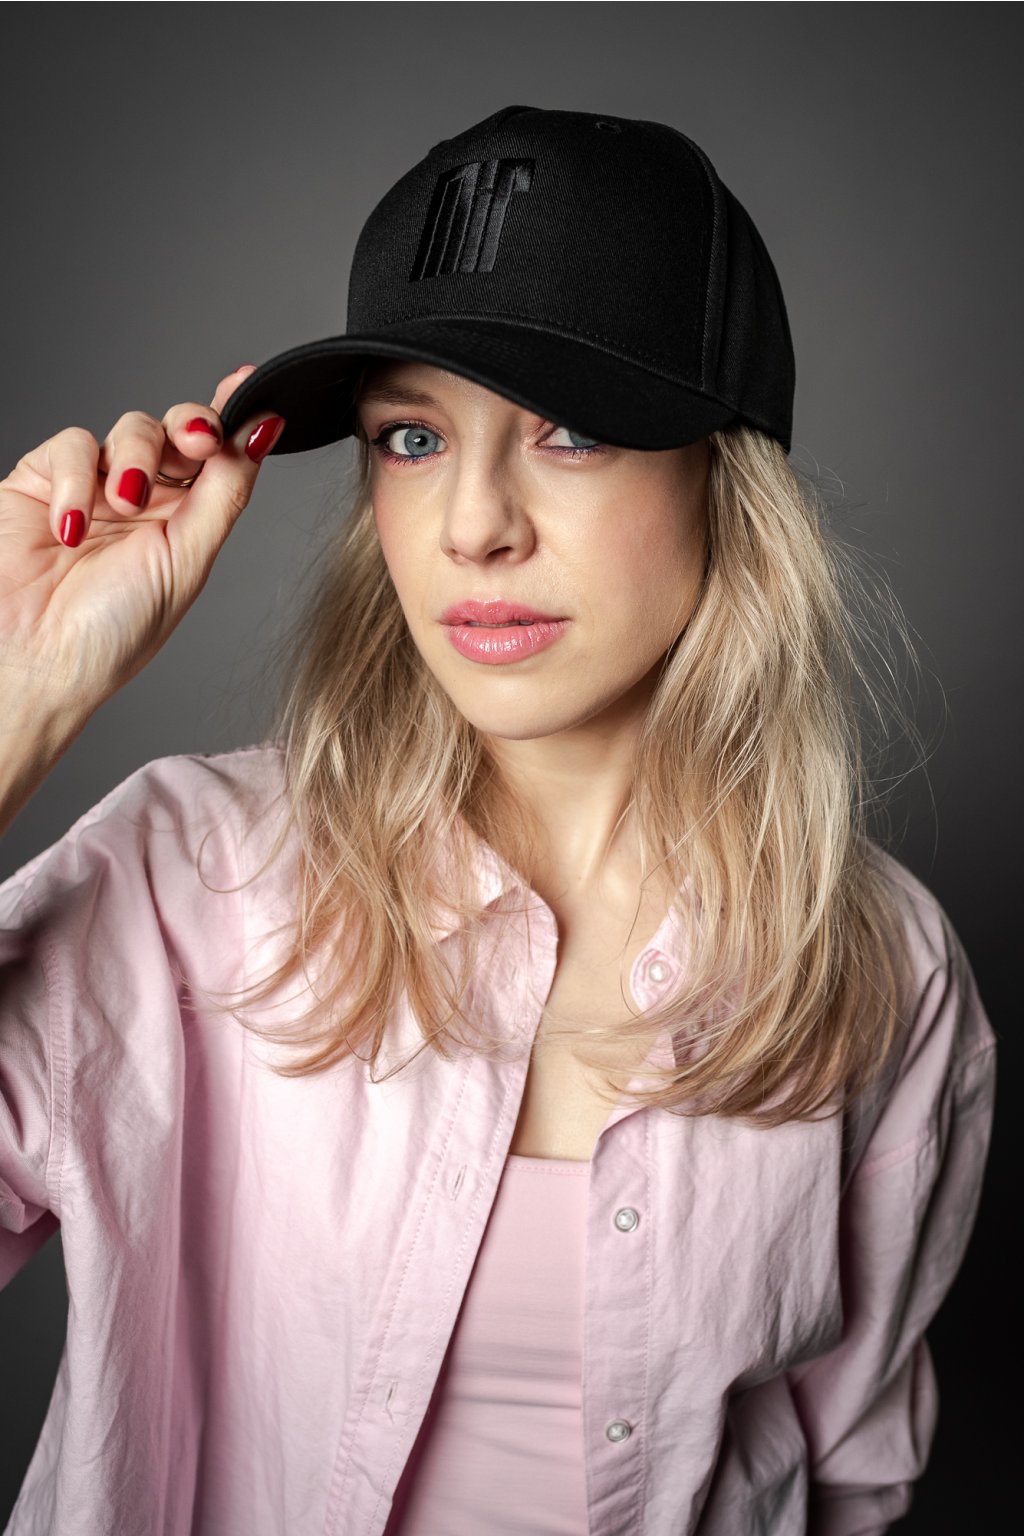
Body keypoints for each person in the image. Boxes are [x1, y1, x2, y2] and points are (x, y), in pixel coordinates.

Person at [0, 105, 995, 1536]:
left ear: (727, 476)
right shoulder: (184, 880)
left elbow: (850, 1473)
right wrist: (17, 699)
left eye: (570, 432)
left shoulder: (885, 968)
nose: (474, 524)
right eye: (412, 437)